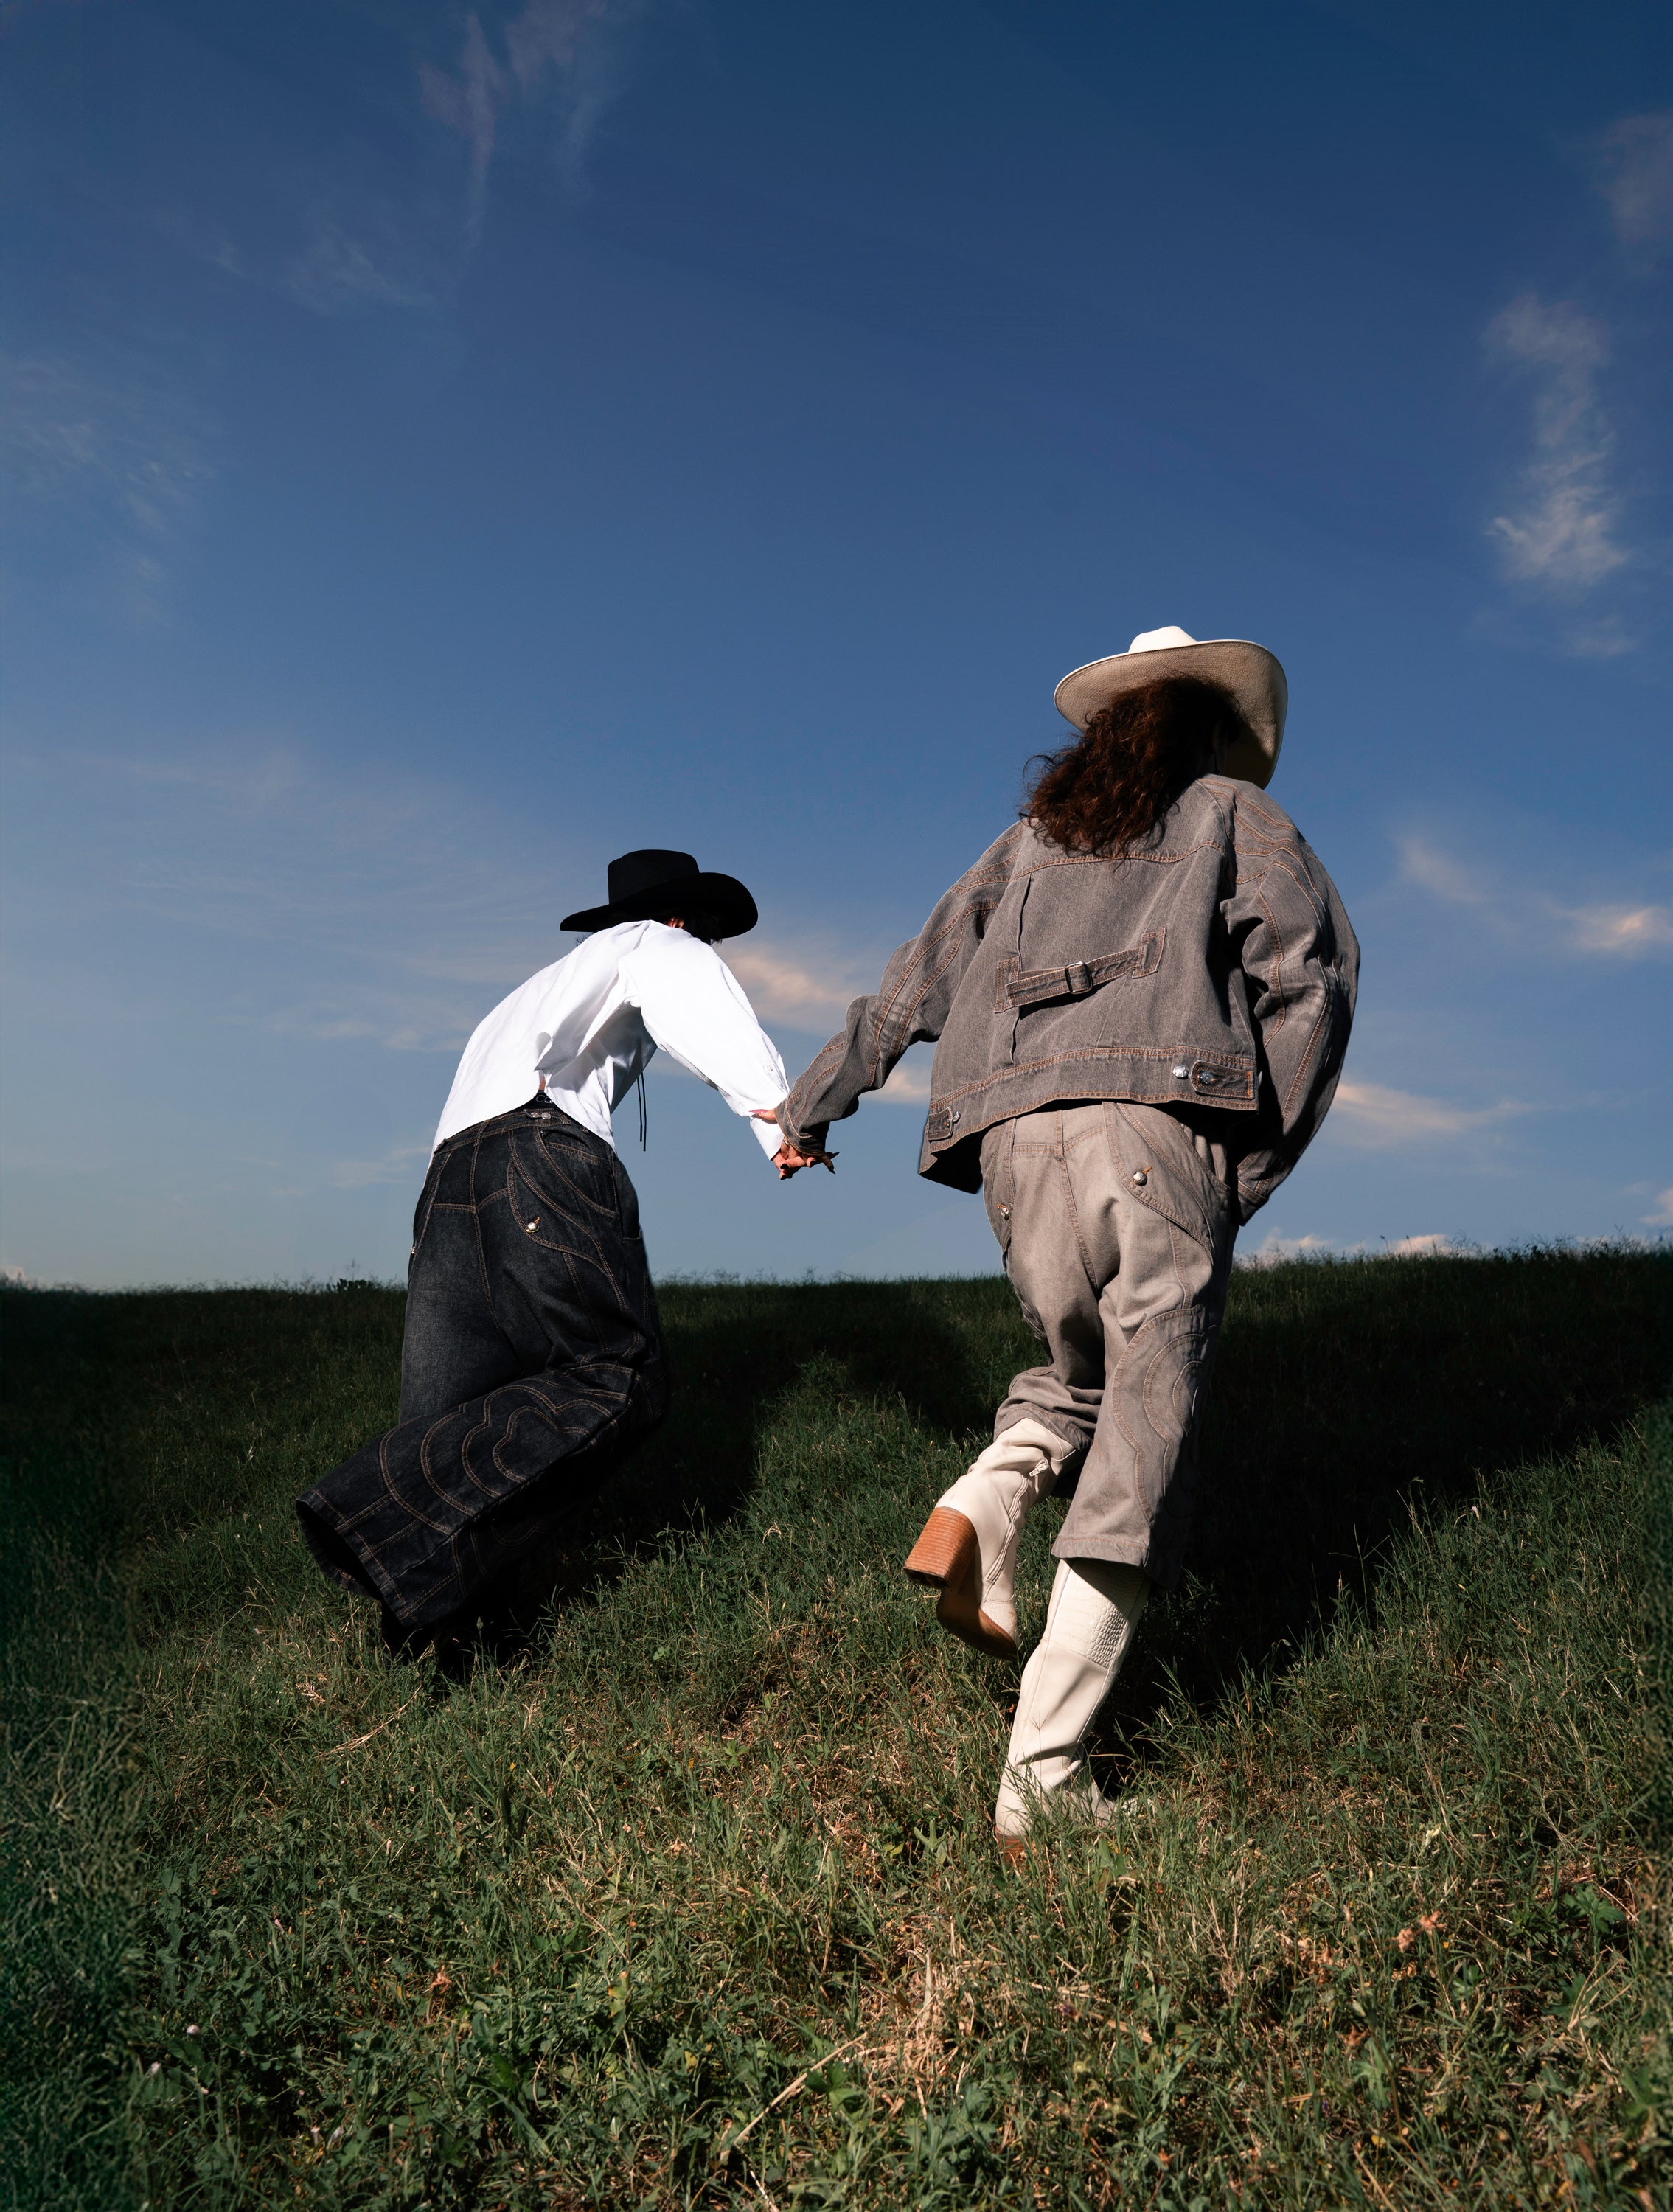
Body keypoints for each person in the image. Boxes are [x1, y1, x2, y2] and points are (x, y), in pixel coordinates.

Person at [771, 625, 1360, 1846]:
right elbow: (1310, 977)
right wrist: (1248, 1163)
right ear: (1212, 728)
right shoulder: (1234, 815)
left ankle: (988, 1499)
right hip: (1154, 1134)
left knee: (1074, 1377)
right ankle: (1043, 1783)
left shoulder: (1028, 841)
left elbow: (912, 982)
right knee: (1148, 1428)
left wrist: (813, 1103)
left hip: (1011, 1147)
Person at [296, 848, 808, 1652]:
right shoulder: (653, 944)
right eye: (705, 928)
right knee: (619, 1375)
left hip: (447, 1184)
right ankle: (367, 1504)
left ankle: (436, 1637)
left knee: (447, 1419)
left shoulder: (521, 999)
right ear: (678, 917)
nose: (710, 943)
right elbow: (688, 989)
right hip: (541, 1159)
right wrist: (779, 1123)